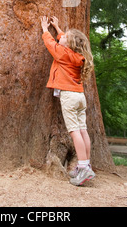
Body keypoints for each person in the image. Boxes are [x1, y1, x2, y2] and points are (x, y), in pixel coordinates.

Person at [40, 15, 95, 186]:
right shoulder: (77, 56)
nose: (61, 37)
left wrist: (44, 30)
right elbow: (65, 41)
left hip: (69, 97)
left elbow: (51, 45)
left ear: (68, 44)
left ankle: (83, 167)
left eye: (64, 37)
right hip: (80, 97)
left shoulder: (63, 53)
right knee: (83, 130)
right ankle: (87, 164)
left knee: (74, 132)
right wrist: (57, 28)